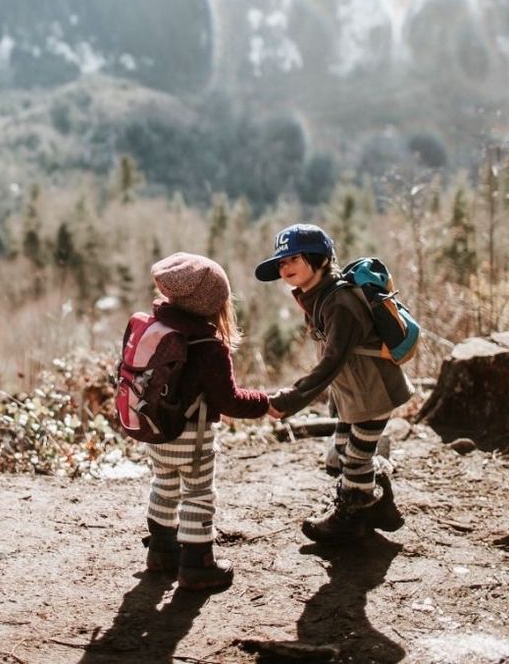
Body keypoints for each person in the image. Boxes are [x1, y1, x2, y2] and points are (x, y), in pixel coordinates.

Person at [255, 223, 412, 543]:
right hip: (354, 390)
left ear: (320, 259)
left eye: (293, 259)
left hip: (374, 391)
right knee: (342, 450)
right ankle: (379, 502)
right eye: (281, 262)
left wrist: (288, 400)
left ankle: (351, 518)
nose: (284, 268)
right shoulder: (316, 295)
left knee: (356, 456)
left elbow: (332, 361)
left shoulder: (339, 301)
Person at [143, 251, 270, 590]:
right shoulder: (210, 348)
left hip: (155, 433)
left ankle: (160, 551)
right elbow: (228, 401)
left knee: (164, 485)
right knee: (198, 494)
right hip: (191, 438)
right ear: (212, 303)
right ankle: (198, 564)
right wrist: (264, 402)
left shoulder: (155, 328)